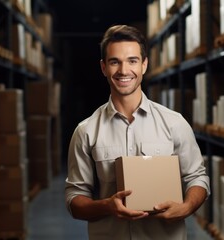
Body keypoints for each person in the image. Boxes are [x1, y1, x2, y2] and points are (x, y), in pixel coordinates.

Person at [65, 24, 210, 240]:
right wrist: (107, 206)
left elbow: (197, 178)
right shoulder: (86, 131)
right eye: (115, 62)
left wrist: (186, 207)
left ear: (144, 65)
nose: (124, 71)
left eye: (132, 61)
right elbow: (75, 198)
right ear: (104, 67)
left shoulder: (174, 123)